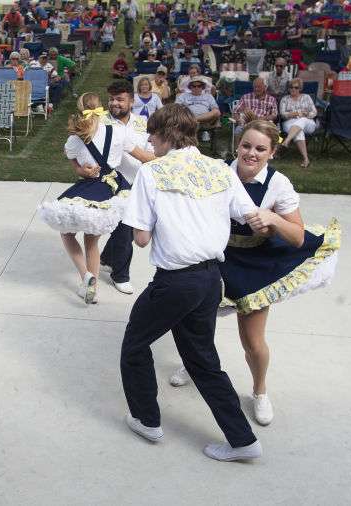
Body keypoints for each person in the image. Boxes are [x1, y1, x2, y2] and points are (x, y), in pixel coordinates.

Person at [168, 120, 341, 426]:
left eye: (260, 148)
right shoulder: (218, 169)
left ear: (272, 152)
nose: (251, 153)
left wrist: (273, 218)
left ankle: (260, 391)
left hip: (255, 265)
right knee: (196, 322)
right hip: (215, 256)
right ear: (238, 145)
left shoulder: (278, 184)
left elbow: (298, 237)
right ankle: (194, 364)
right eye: (246, 145)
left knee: (252, 340)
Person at [120, 103, 263, 462]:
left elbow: (140, 239)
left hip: (175, 281)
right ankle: (243, 440)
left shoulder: (151, 173)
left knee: (135, 346)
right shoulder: (219, 169)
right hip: (210, 280)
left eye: (152, 133)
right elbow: (250, 216)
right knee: (202, 361)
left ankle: (146, 419)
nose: (149, 139)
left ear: (168, 134)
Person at [39, 93, 131, 304]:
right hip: (110, 188)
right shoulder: (117, 131)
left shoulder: (75, 137)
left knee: (67, 233)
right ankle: (94, 287)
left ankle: (85, 276)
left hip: (89, 186)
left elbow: (75, 162)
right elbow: (133, 152)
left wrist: (83, 170)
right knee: (92, 242)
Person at [100, 80, 155, 295]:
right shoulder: (99, 122)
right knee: (126, 230)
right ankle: (120, 275)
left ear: (131, 101)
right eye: (112, 99)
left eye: (120, 99)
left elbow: (152, 152)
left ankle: (106, 258)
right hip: (107, 183)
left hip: (135, 183)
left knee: (123, 228)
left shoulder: (142, 123)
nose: (114, 103)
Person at [279, 77, 317, 168]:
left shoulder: (306, 97)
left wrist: (307, 114)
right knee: (298, 132)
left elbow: (314, 112)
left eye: (296, 87)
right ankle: (306, 159)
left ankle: (286, 141)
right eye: (291, 87)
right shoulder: (285, 99)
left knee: (302, 120)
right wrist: (296, 113)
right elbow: (283, 114)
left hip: (308, 122)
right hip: (289, 123)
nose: (293, 89)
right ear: (288, 88)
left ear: (300, 88)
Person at [176, 76, 220, 144]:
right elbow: (176, 108)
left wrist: (195, 119)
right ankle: (193, 143)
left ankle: (194, 120)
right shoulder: (183, 96)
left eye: (199, 86)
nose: (196, 88)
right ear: (190, 87)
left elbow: (215, 110)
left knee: (216, 112)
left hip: (206, 120)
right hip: (188, 118)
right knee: (179, 113)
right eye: (194, 86)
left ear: (202, 87)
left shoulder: (208, 96)